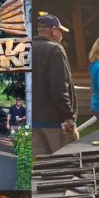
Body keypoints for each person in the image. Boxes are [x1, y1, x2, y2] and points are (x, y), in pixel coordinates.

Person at [32, 14, 79, 155]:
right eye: (61, 31)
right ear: (53, 30)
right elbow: (59, 87)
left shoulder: (28, 47)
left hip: (35, 121)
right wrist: (68, 117)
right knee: (66, 163)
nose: (62, 36)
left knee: (42, 167)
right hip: (56, 122)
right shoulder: (55, 49)